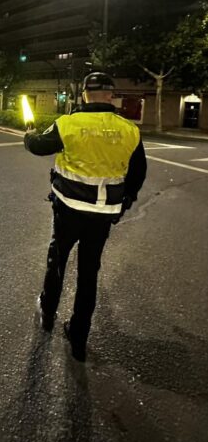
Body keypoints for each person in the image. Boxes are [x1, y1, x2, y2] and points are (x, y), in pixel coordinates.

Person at [25, 72, 147, 362]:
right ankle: (79, 336)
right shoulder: (129, 130)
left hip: (67, 209)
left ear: (83, 95)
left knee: (58, 259)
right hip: (102, 215)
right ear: (111, 96)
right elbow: (138, 174)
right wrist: (125, 201)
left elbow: (38, 146)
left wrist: (29, 134)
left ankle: (48, 313)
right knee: (89, 272)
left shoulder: (68, 124)